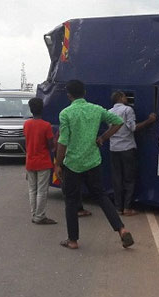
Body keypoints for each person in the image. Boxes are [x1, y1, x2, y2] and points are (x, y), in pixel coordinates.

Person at [54, 80, 134, 250]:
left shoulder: (66, 113)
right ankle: (121, 229)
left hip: (72, 164)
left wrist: (57, 164)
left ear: (69, 95)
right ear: (84, 92)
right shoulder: (96, 109)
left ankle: (73, 240)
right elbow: (118, 122)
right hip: (92, 161)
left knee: (71, 201)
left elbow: (63, 141)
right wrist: (103, 137)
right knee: (101, 196)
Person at [108, 91, 156, 216]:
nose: (126, 98)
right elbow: (133, 128)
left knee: (117, 179)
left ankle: (118, 207)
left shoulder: (109, 112)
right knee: (129, 179)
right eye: (125, 96)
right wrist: (149, 121)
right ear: (120, 98)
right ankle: (127, 207)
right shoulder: (127, 110)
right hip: (127, 148)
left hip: (114, 148)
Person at [23, 97, 57, 225]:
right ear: (42, 109)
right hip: (43, 162)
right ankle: (40, 216)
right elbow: (50, 145)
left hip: (30, 161)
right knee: (42, 190)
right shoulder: (46, 125)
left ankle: (34, 214)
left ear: (31, 110)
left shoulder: (26, 124)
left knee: (32, 190)